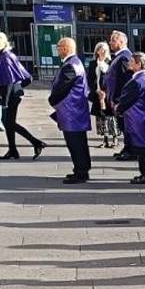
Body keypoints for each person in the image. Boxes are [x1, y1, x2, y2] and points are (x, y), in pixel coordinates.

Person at [0, 32, 47, 161]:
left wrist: (6, 100)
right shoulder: (1, 56)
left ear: (4, 42)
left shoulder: (6, 57)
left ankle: (35, 143)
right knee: (8, 123)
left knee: (9, 122)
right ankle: (13, 150)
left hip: (11, 95)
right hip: (8, 93)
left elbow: (10, 80)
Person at [49, 37, 92, 185]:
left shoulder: (70, 66)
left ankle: (81, 172)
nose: (58, 49)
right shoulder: (75, 62)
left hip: (71, 111)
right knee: (79, 142)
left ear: (66, 48)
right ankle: (82, 169)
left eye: (59, 47)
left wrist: (52, 101)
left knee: (75, 143)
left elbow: (62, 88)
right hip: (76, 110)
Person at [115, 52, 145, 185]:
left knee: (143, 148)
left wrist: (119, 108)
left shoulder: (138, 81)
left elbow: (128, 99)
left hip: (140, 119)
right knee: (144, 147)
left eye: (132, 61)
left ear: (139, 64)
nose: (129, 63)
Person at [103, 31, 133, 156]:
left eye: (113, 40)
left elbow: (125, 81)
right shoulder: (119, 56)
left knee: (126, 125)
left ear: (121, 42)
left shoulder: (125, 57)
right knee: (122, 125)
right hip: (114, 98)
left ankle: (131, 150)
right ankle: (127, 148)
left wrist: (119, 100)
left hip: (120, 99)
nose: (110, 43)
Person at [87, 42, 116, 151]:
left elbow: (112, 78)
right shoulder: (92, 64)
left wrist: (106, 91)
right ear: (97, 51)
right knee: (101, 117)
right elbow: (90, 79)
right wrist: (96, 90)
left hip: (108, 94)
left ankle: (114, 138)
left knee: (111, 116)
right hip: (97, 93)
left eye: (105, 49)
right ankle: (105, 139)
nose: (103, 51)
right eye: (100, 49)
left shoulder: (111, 62)